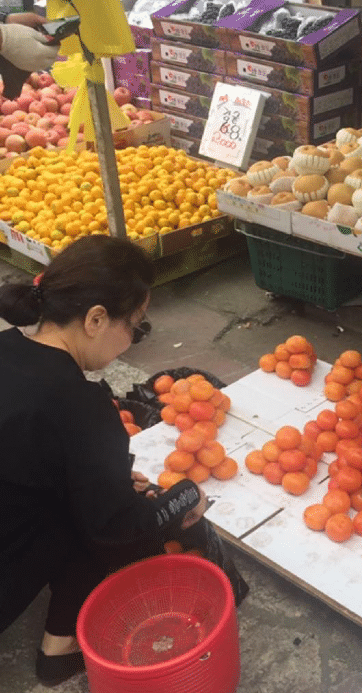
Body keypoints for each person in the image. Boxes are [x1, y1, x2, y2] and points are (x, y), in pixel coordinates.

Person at [0, 236, 213, 687]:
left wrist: (104, 480)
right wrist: (185, 496)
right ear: (96, 319)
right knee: (107, 524)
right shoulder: (80, 405)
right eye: (135, 326)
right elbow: (119, 528)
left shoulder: (5, 349)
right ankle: (59, 649)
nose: (131, 342)